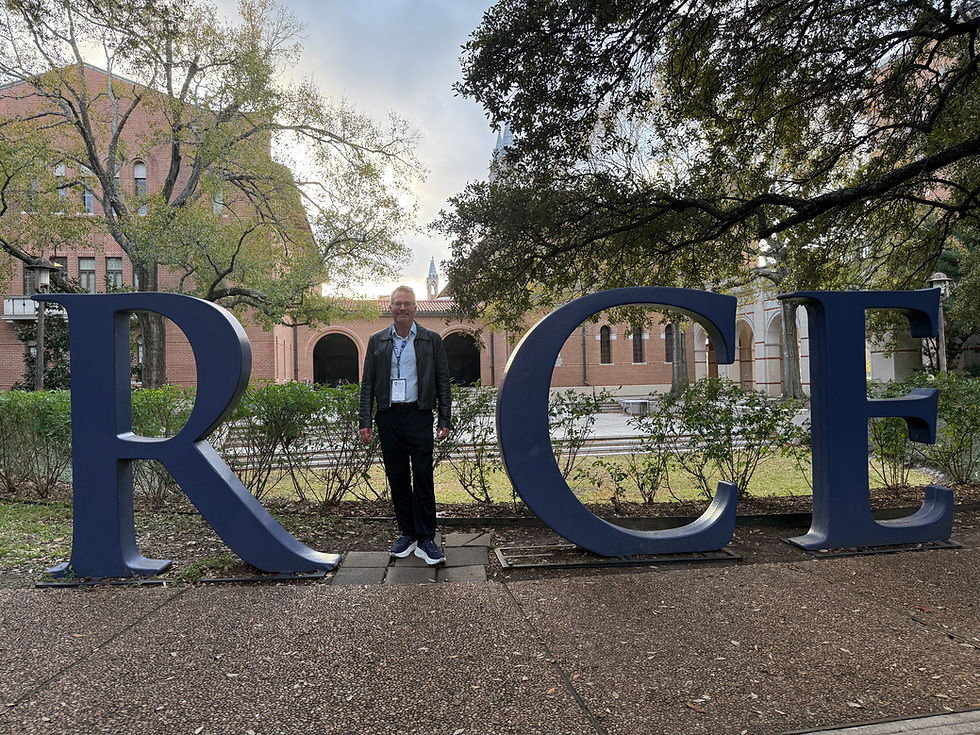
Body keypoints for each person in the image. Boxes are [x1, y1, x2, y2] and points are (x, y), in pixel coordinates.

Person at [359, 285, 452, 565]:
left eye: (407, 304)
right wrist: (365, 419)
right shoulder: (377, 341)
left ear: (415, 308)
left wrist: (445, 418)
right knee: (397, 476)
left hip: (419, 414)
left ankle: (426, 538)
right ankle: (407, 533)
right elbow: (367, 384)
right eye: (397, 303)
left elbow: (442, 382)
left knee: (423, 476)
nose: (402, 308)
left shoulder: (431, 339)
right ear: (390, 307)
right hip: (388, 416)